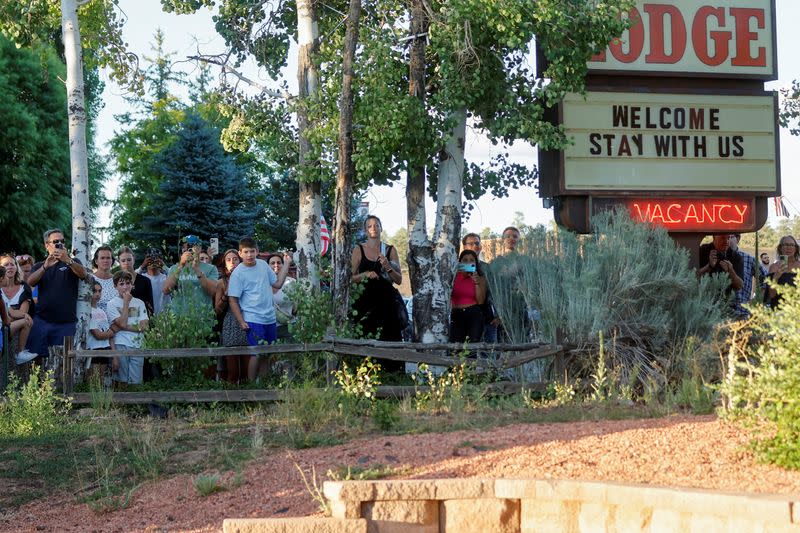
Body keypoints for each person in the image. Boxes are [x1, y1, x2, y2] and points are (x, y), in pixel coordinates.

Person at [227, 237, 291, 381]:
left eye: (252, 251)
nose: (249, 255)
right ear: (240, 253)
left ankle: (264, 385)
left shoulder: (263, 265)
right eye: (246, 252)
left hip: (270, 318)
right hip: (253, 319)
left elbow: (278, 284)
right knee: (256, 353)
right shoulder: (238, 273)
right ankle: (252, 386)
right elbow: (233, 300)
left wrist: (287, 263)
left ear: (257, 251)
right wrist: (241, 320)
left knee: (267, 355)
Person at [25, 228, 88, 359]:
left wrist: (68, 260)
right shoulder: (40, 265)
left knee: (63, 362)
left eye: (62, 241)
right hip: (42, 322)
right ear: (47, 245)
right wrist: (45, 267)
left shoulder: (73, 262)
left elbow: (83, 274)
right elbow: (30, 282)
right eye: (55, 241)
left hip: (66, 324)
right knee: (36, 359)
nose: (60, 244)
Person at [350, 215, 404, 348]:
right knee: (365, 342)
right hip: (365, 305)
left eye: (376, 225)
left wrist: (388, 267)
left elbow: (399, 280)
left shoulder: (390, 250)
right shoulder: (358, 249)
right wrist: (365, 274)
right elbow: (349, 279)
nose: (373, 228)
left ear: (381, 228)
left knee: (389, 342)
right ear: (365, 230)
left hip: (387, 305)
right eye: (369, 226)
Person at [107, 271, 149, 386]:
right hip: (120, 343)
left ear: (132, 285)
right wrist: (126, 302)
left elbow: (144, 326)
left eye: (127, 283)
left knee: (136, 382)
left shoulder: (139, 303)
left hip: (138, 344)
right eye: (121, 284)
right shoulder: (111, 304)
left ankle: (136, 403)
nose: (125, 287)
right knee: (122, 381)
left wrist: (123, 327)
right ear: (115, 286)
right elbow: (121, 322)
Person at [214, 249, 248, 383]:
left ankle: (248, 399)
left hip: (248, 321)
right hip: (230, 324)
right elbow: (217, 309)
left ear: (240, 261)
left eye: (235, 259)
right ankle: (230, 398)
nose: (232, 262)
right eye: (229, 260)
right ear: (225, 264)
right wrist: (226, 295)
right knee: (232, 369)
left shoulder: (248, 278)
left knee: (246, 369)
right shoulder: (221, 282)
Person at [163, 236, 219, 315]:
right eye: (184, 247)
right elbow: (165, 290)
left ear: (199, 249)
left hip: (202, 318)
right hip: (178, 318)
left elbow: (213, 291)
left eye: (191, 246)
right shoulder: (174, 268)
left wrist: (196, 269)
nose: (187, 250)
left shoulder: (211, 268)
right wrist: (180, 266)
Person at [461, 233, 499, 343]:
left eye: (477, 243)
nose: (474, 246)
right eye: (471, 243)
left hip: (487, 318)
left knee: (489, 355)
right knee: (467, 355)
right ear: (465, 247)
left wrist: (498, 315)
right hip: (465, 318)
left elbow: (494, 293)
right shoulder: (457, 268)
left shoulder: (487, 268)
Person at [0, 255, 36, 364]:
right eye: (6, 265)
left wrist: (15, 313)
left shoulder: (24, 287)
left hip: (7, 327)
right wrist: (11, 313)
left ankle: (20, 353)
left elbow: (22, 312)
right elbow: (10, 314)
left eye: (12, 264)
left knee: (27, 321)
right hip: (4, 325)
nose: (10, 267)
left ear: (16, 268)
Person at [449, 249, 488, 344]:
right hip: (456, 314)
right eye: (465, 260)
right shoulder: (452, 276)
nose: (468, 262)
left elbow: (481, 301)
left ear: (476, 262)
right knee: (456, 346)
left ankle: (473, 359)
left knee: (473, 345)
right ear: (460, 262)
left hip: (473, 313)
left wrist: (476, 283)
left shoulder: (481, 278)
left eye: (471, 260)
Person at [698, 234, 744, 306]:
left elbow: (739, 286)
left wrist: (731, 271)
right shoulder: (702, 250)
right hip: (703, 302)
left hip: (726, 305)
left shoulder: (736, 256)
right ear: (714, 237)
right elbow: (693, 277)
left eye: (728, 238)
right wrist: (709, 266)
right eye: (723, 238)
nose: (726, 241)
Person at [87, 280, 115, 381]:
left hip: (105, 348)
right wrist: (111, 332)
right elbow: (97, 335)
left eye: (99, 291)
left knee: (102, 380)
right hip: (93, 349)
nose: (97, 294)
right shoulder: (87, 311)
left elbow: (108, 333)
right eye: (94, 291)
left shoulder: (102, 311)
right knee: (93, 380)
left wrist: (114, 353)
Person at [117, 247, 154, 316]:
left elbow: (150, 307)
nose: (126, 263)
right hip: (122, 321)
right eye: (123, 260)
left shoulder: (145, 281)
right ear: (119, 262)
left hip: (142, 321)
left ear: (133, 259)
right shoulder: (116, 282)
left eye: (129, 260)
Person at [765, 235, 799, 309]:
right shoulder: (773, 267)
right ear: (780, 248)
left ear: (796, 248)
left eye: (791, 245)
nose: (788, 247)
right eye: (786, 245)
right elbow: (771, 295)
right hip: (779, 310)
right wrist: (776, 276)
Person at [729, 234, 758, 319]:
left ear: (737, 239)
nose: (728, 240)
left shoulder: (749, 259)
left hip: (743, 313)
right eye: (725, 237)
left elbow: (765, 277)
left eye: (731, 237)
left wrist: (755, 299)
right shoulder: (715, 258)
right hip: (720, 313)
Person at [268, 253, 296, 340]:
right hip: (269, 327)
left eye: (279, 262)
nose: (276, 265)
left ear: (283, 265)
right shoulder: (263, 283)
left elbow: (297, 306)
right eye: (272, 263)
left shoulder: (291, 282)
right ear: (268, 266)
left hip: (288, 328)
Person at [138, 248, 171, 315]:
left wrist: (164, 266)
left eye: (156, 258)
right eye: (149, 259)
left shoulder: (166, 278)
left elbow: (175, 276)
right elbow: (131, 277)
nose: (153, 261)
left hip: (165, 317)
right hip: (146, 317)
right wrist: (142, 266)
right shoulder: (143, 278)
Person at [91, 246, 116, 313]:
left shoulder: (118, 280)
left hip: (116, 321)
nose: (105, 261)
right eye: (102, 258)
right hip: (95, 320)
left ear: (112, 260)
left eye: (108, 258)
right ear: (96, 261)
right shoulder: (89, 279)